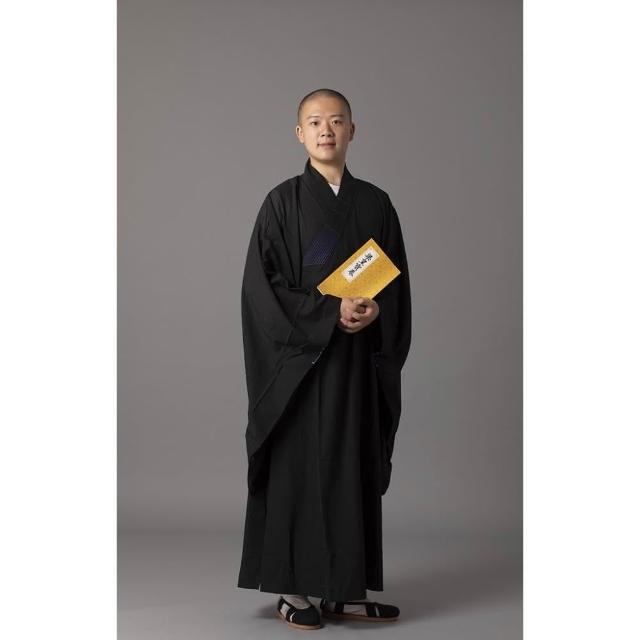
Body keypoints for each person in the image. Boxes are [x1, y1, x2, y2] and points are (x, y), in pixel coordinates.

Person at [237, 88, 412, 630]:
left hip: (357, 364)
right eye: (315, 122)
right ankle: (292, 588)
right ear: (299, 134)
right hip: (302, 369)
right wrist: (326, 313)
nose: (326, 130)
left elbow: (395, 284)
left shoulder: (376, 204)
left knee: (350, 470)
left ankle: (344, 591)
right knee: (299, 471)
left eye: (336, 121)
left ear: (352, 130)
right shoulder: (281, 203)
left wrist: (375, 311)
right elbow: (261, 291)